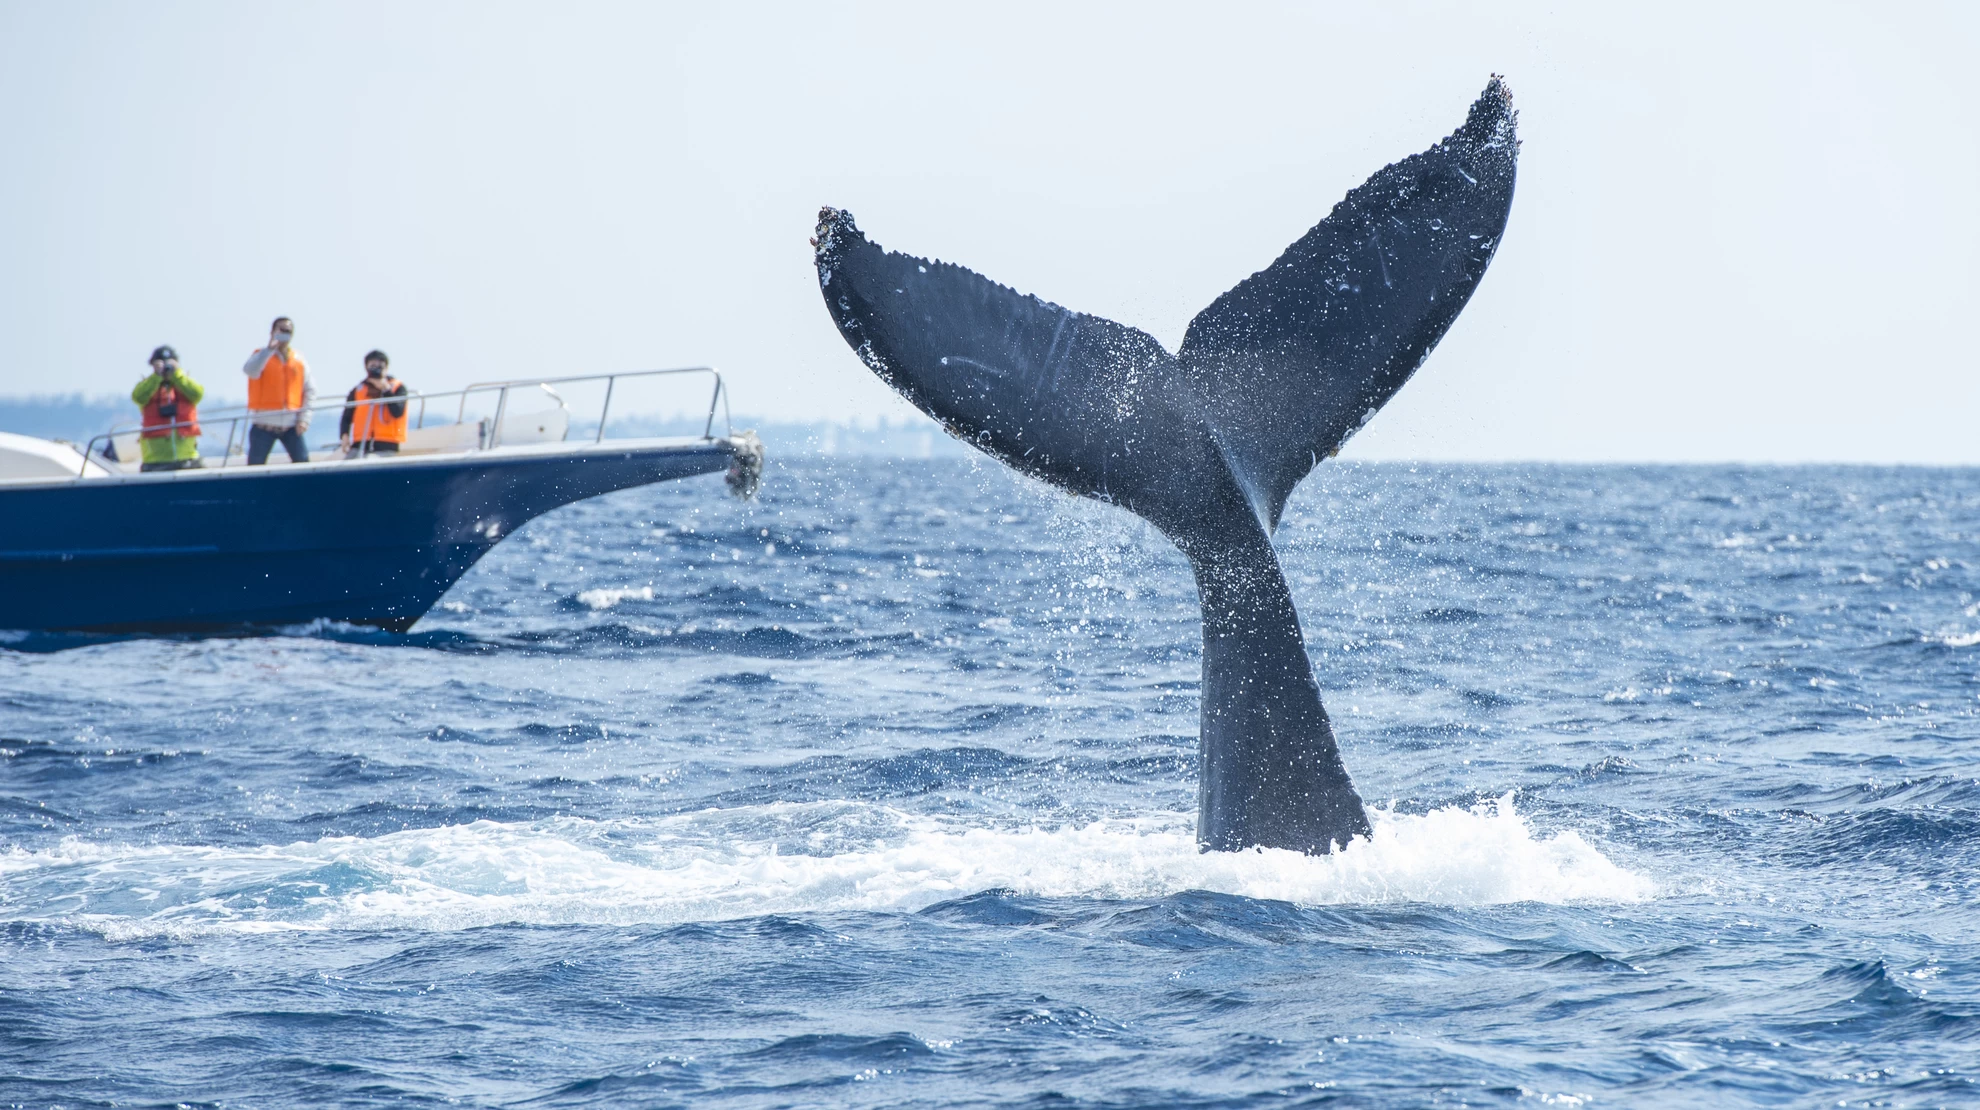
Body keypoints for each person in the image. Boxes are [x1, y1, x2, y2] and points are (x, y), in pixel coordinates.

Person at [242, 316, 315, 464]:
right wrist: (269, 349)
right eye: (281, 330)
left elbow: (310, 390)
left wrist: (304, 419)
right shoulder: (260, 355)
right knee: (255, 467)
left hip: (291, 426)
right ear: (272, 332)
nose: (284, 334)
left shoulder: (299, 360)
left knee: (303, 463)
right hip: (263, 425)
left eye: (288, 331)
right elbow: (250, 371)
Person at [131, 346, 205, 472]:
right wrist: (156, 377)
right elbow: (138, 397)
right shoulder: (148, 385)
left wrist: (177, 374)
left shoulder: (184, 383)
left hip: (187, 458)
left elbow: (197, 394)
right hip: (155, 461)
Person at [340, 350, 409, 457]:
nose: (376, 370)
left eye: (380, 366)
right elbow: (347, 416)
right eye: (372, 366)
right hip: (360, 444)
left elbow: (398, 412)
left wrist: (386, 390)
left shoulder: (397, 388)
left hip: (386, 445)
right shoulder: (358, 390)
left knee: (371, 460)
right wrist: (344, 435)